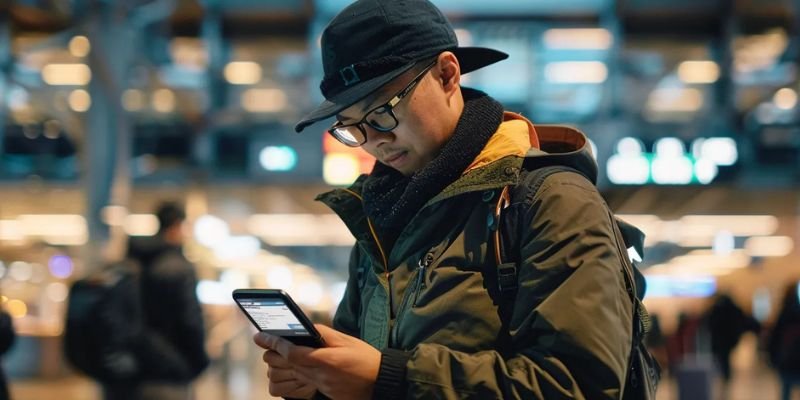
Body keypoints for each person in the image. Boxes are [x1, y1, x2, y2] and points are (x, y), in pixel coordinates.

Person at [253, 0, 635, 398]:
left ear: (447, 74)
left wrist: (389, 380)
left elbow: (579, 385)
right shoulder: (378, 219)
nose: (375, 141)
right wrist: (323, 384)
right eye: (353, 127)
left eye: (382, 112)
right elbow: (364, 368)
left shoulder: (550, 201)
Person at [104, 201, 209, 400]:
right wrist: (198, 362)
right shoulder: (178, 269)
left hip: (125, 373)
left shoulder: (127, 264)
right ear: (177, 226)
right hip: (167, 374)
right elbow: (190, 321)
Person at [705, 292, 759, 384]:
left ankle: (725, 375)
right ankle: (725, 375)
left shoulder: (717, 309)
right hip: (729, 340)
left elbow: (710, 324)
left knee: (723, 358)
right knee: (725, 358)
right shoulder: (733, 309)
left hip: (721, 340)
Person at [768, 281, 800, 400]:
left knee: (786, 389)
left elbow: (775, 337)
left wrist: (773, 358)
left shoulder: (784, 312)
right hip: (792, 358)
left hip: (786, 359)